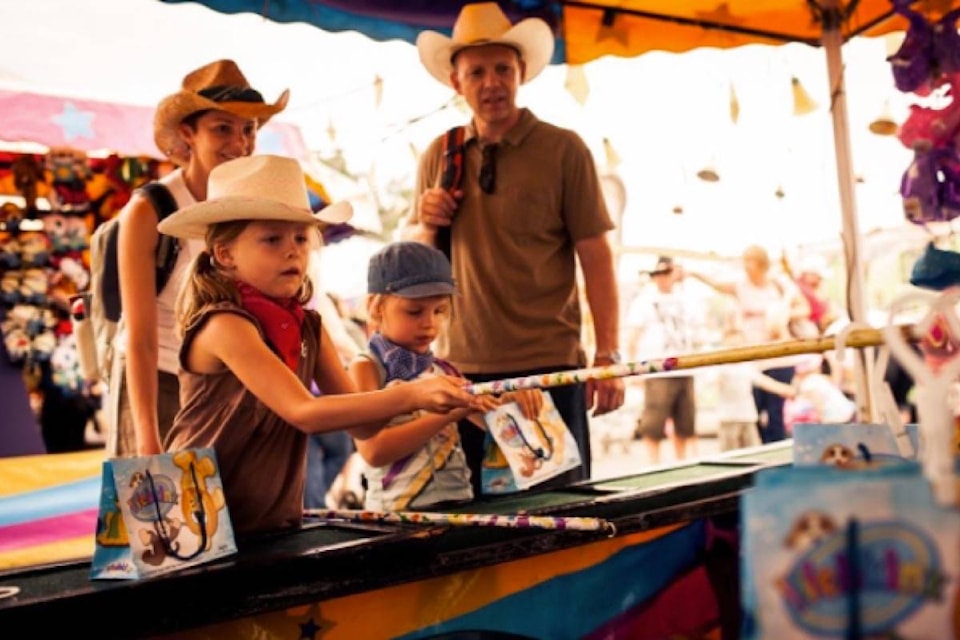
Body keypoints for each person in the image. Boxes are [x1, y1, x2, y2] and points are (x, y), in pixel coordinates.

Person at [157, 155, 485, 536]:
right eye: (272, 239)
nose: (293, 250)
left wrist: (455, 399)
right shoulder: (224, 324)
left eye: (300, 237)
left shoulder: (308, 325)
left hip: (270, 521)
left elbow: (362, 427)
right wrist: (412, 395)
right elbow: (304, 411)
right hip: (199, 523)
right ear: (225, 254)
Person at [402, 3, 625, 492]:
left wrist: (608, 356)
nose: (491, 82)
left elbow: (597, 257)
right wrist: (425, 223)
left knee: (560, 514)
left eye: (503, 68)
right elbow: (418, 272)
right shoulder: (440, 154)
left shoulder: (565, 149)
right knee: (476, 520)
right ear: (456, 83)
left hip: (549, 369)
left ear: (522, 72)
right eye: (476, 71)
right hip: (463, 374)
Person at [113, 59, 288, 457]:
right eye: (222, 128)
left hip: (226, 378)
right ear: (187, 133)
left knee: (221, 512)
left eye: (249, 129)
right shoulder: (149, 209)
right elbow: (139, 338)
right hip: (159, 381)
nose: (240, 144)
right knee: (157, 511)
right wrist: (146, 435)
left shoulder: (251, 205)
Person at [348, 241, 536, 510]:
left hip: (458, 503)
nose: (430, 323)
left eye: (439, 311)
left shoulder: (445, 370)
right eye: (415, 311)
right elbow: (373, 451)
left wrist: (514, 400)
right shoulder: (366, 367)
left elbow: (490, 418)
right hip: (397, 513)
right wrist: (448, 414)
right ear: (376, 307)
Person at [689, 244, 810, 444]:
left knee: (775, 413)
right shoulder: (740, 286)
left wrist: (779, 315)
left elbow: (804, 309)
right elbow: (716, 284)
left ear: (762, 265)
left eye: (751, 262)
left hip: (780, 356)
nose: (747, 267)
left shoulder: (780, 286)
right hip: (754, 358)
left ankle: (776, 459)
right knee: (756, 411)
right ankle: (763, 455)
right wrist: (693, 273)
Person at [625, 256, 698, 464]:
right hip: (658, 368)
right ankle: (653, 465)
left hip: (685, 366)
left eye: (668, 273)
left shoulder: (686, 298)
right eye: (660, 274)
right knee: (653, 424)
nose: (664, 278)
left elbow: (696, 325)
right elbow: (633, 336)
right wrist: (634, 370)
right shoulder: (644, 300)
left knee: (685, 423)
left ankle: (681, 463)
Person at [714, 326, 794, 452]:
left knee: (753, 453)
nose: (735, 349)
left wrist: (787, 390)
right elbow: (714, 381)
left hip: (747, 417)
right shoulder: (721, 369)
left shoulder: (747, 367)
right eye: (731, 346)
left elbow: (765, 382)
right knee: (729, 455)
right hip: (728, 418)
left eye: (739, 345)